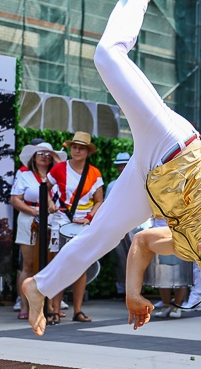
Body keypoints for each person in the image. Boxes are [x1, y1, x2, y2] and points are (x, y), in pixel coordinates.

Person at [22, 0, 201, 338]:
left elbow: (141, 242)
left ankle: (38, 286)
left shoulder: (190, 250)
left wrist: (135, 294)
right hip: (176, 147)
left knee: (102, 233)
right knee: (107, 55)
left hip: (150, 180)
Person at [47, 131, 104, 323]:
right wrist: (49, 203)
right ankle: (55, 309)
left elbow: (99, 201)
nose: (77, 150)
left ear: (88, 151)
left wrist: (88, 217)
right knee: (59, 264)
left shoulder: (94, 173)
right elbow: (44, 188)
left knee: (81, 266)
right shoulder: (58, 169)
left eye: (81, 148)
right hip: (61, 220)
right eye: (74, 147)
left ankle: (77, 310)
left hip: (82, 223)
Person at [10, 142, 62, 321]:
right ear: (33, 156)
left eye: (48, 154)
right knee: (29, 264)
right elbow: (15, 200)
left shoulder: (57, 175)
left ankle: (49, 305)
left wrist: (57, 159)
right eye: (40, 153)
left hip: (51, 220)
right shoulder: (25, 175)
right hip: (29, 218)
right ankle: (24, 305)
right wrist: (34, 212)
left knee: (49, 264)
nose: (44, 156)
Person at [107, 152, 132, 298]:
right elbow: (107, 206)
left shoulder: (141, 182)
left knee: (136, 257)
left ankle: (136, 289)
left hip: (135, 226)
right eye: (120, 165)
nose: (123, 168)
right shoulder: (111, 185)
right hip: (118, 226)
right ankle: (122, 289)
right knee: (120, 258)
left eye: (125, 165)